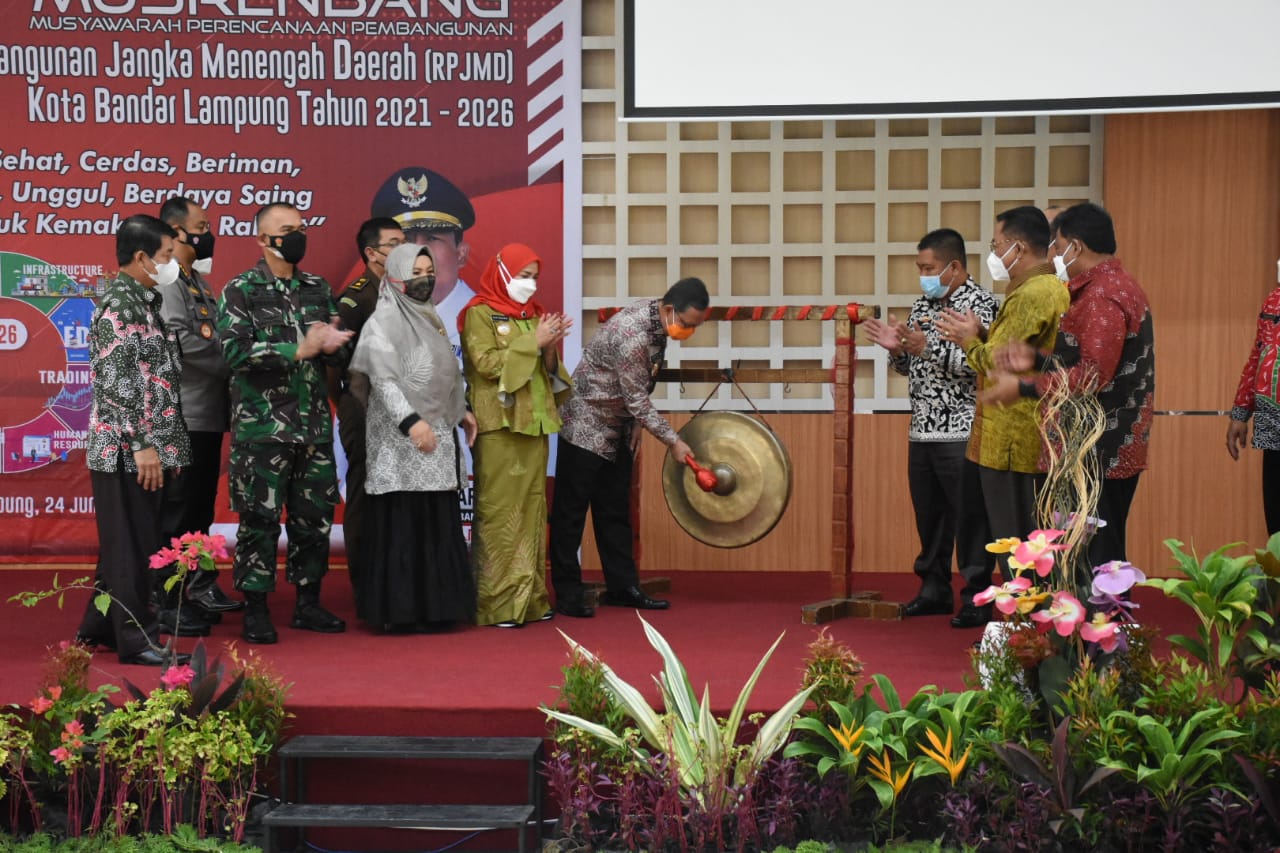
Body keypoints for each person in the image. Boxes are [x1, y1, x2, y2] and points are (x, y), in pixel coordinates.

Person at [984, 203, 1155, 566]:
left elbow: (1091, 376)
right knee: (1088, 554)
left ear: (1075, 247)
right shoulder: (1108, 288)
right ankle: (1100, 621)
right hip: (1095, 448)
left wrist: (1024, 388)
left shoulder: (1102, 296)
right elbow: (1086, 358)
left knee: (1096, 559)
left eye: (1058, 247)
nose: (1054, 255)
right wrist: (1035, 358)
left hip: (1098, 451)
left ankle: (1103, 623)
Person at [218, 203, 354, 644]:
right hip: (262, 431)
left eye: (301, 228)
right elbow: (233, 354)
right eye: (286, 230)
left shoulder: (317, 288)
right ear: (263, 239)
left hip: (313, 426)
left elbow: (332, 352)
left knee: (313, 519)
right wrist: (298, 348)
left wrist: (334, 346)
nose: (297, 237)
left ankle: (308, 602)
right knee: (259, 520)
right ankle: (256, 609)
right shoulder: (241, 289)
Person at [548, 278, 708, 617]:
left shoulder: (659, 325)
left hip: (618, 427)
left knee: (615, 512)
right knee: (570, 515)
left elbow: (638, 387)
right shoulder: (632, 334)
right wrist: (674, 441)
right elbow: (636, 398)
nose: (689, 331)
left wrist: (633, 424)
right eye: (688, 324)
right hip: (585, 424)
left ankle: (623, 587)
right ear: (669, 310)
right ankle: (567, 593)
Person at [863, 229, 998, 628]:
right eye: (920, 268)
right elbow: (915, 365)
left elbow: (982, 364)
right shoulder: (922, 304)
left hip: (963, 428)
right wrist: (898, 353)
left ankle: (976, 596)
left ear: (954, 267)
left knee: (970, 519)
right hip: (922, 429)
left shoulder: (980, 306)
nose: (923, 275)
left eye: (929, 268)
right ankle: (934, 590)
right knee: (930, 517)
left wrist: (928, 348)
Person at [76, 214, 192, 666]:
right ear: (142, 257)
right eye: (165, 256)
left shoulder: (144, 301)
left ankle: (98, 627)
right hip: (125, 449)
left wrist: (170, 446)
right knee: (133, 548)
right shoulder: (119, 306)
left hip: (145, 445)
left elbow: (158, 380)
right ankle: (137, 639)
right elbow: (116, 383)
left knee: (124, 543)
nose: (171, 264)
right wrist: (144, 444)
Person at [349, 243, 478, 630]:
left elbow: (444, 376)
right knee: (402, 522)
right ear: (396, 275)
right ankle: (400, 613)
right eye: (415, 271)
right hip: (398, 441)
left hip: (435, 439)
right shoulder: (382, 322)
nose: (423, 278)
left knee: (434, 520)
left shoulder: (431, 318)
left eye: (428, 270)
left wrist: (461, 412)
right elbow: (384, 382)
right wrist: (411, 422)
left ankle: (436, 610)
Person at [935, 206, 1070, 558]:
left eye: (997, 246)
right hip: (1025, 434)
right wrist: (981, 332)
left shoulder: (1031, 294)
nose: (995, 255)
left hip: (1014, 440)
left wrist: (968, 340)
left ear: (1018, 248)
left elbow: (998, 362)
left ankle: (1021, 613)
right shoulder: (1048, 287)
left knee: (1018, 547)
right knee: (1028, 539)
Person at [461, 243, 574, 627]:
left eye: (534, 278)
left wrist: (549, 349)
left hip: (534, 424)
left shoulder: (533, 316)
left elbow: (551, 376)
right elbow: (487, 364)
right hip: (500, 426)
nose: (530, 284)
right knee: (499, 514)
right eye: (523, 276)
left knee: (531, 511)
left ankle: (530, 600)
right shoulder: (479, 313)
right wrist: (533, 343)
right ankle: (496, 604)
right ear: (503, 273)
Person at [156, 196, 241, 633]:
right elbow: (179, 344)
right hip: (183, 416)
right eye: (202, 225)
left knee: (199, 511)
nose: (210, 233)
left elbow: (211, 335)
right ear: (175, 232)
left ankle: (196, 586)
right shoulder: (169, 280)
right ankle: (166, 601)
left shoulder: (200, 283)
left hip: (208, 416)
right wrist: (234, 362)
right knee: (178, 511)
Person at [328, 217, 405, 601]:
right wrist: (350, 406)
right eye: (394, 244)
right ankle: (365, 584)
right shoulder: (356, 298)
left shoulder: (402, 293)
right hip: (365, 407)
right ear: (372, 253)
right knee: (365, 493)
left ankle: (392, 577)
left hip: (398, 412)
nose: (403, 251)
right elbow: (333, 363)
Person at [370, 167, 477, 357]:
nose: (417, 253)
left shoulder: (488, 323)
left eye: (432, 238)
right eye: (407, 240)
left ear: (461, 254)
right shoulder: (372, 318)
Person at [1228, 255, 1280, 533]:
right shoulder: (1275, 300)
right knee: (1276, 523)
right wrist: (1240, 412)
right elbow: (1258, 355)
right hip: (1273, 422)